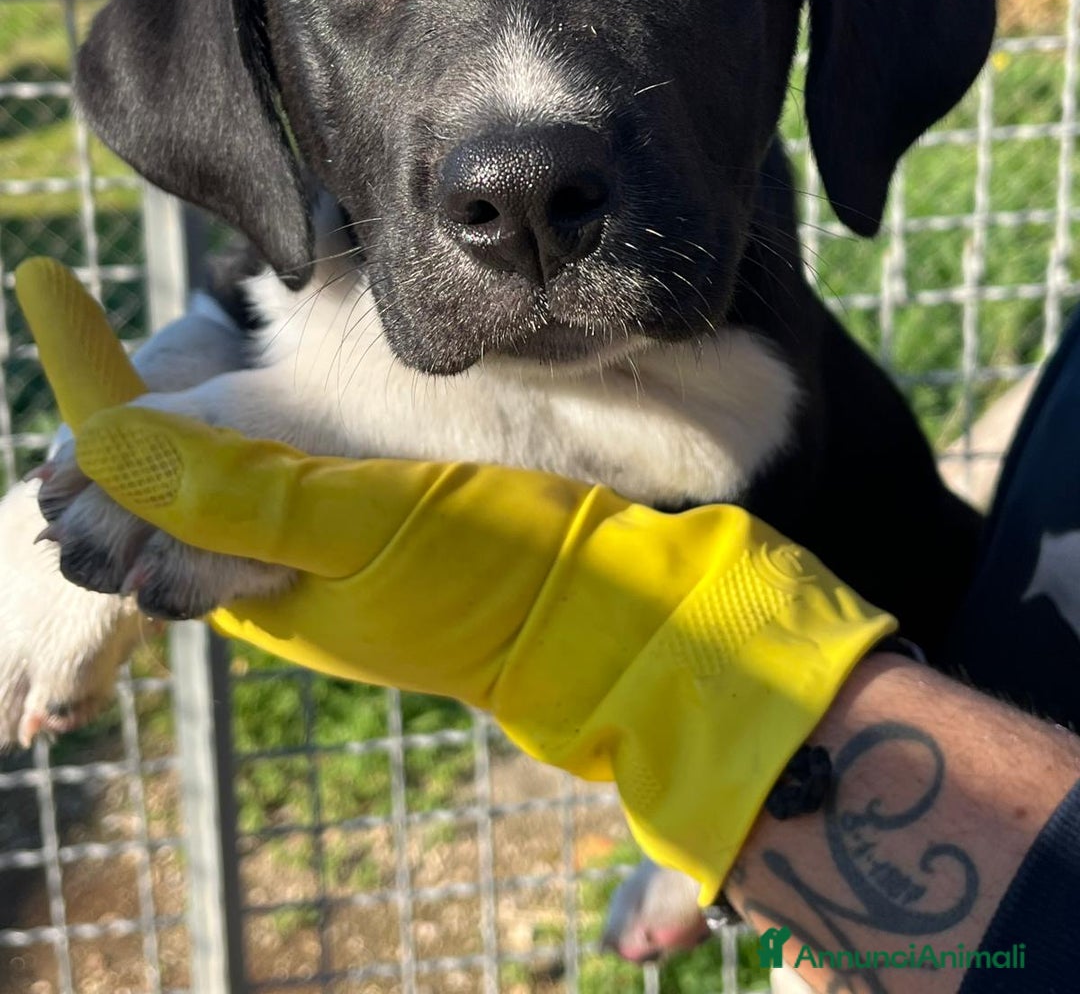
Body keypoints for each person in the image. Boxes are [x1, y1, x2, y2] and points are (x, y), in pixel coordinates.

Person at [17, 258, 1080, 992]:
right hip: (916, 760)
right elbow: (254, 299)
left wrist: (669, 702)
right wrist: (164, 386)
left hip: (919, 775)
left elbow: (732, 432)